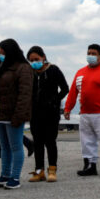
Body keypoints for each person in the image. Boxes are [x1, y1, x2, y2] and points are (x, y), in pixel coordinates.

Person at [64, 44, 100, 177]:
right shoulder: (80, 72)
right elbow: (73, 92)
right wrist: (67, 108)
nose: (90, 56)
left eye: (93, 53)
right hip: (85, 114)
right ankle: (90, 166)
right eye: (89, 53)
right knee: (86, 141)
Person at [0, 39, 33, 190]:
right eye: (0, 53)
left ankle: (15, 177)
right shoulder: (2, 67)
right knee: (4, 147)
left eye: (3, 53)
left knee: (16, 146)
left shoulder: (23, 68)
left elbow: (25, 95)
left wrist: (19, 115)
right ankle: (5, 175)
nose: (1, 56)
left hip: (12, 114)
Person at [27, 46, 69, 182]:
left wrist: (54, 101)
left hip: (51, 113)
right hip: (35, 113)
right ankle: (39, 171)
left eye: (36, 59)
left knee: (50, 142)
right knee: (37, 142)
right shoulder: (30, 72)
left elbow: (65, 88)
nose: (34, 62)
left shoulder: (53, 70)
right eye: (31, 60)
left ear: (43, 57)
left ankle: (52, 170)